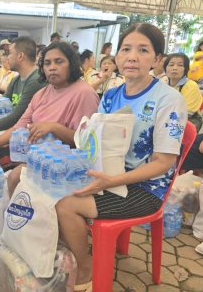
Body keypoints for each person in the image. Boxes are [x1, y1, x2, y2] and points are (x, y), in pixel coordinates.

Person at [43, 23, 185, 292]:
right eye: (126, 49)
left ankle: (86, 270)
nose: (132, 56)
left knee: (65, 204)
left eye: (143, 50)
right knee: (48, 187)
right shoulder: (111, 95)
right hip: (109, 175)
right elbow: (97, 142)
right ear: (117, 56)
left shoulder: (169, 100)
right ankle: (69, 254)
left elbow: (163, 163)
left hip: (146, 188)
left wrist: (110, 181)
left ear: (157, 60)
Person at [0, 42, 99, 164]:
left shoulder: (84, 94)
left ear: (71, 64)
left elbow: (85, 142)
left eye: (59, 61)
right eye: (47, 63)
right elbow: (19, 127)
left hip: (60, 164)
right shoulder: (42, 93)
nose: (52, 67)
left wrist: (54, 128)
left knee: (12, 177)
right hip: (32, 152)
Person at [164, 53, 202, 131]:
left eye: (180, 65)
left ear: (186, 69)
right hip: (164, 120)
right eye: (171, 65)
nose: (175, 68)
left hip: (183, 123)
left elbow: (186, 114)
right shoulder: (162, 83)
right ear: (165, 68)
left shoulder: (191, 86)